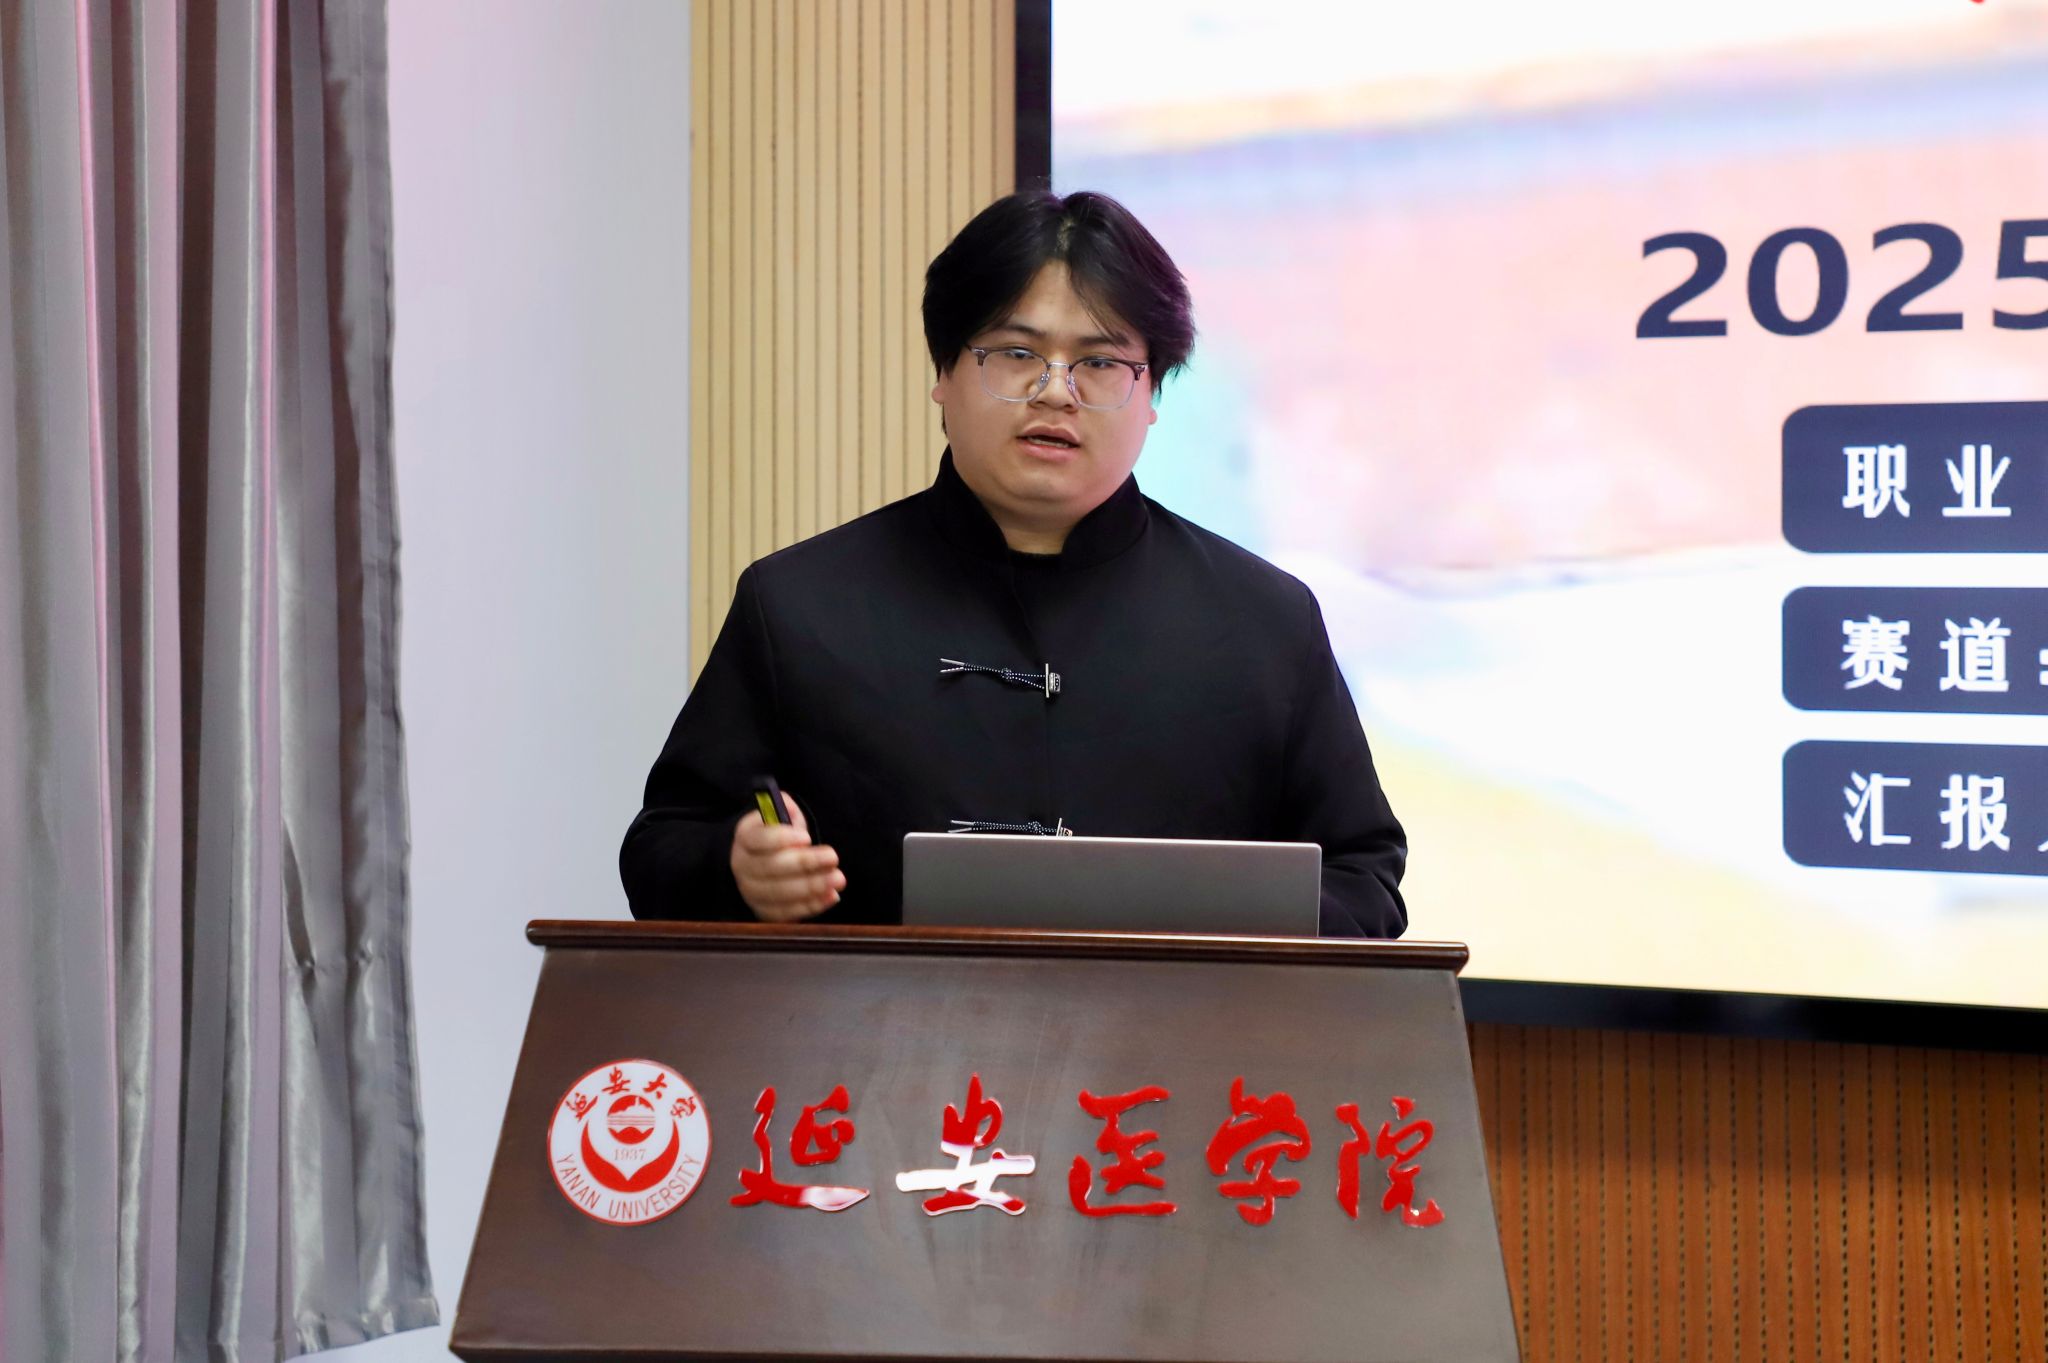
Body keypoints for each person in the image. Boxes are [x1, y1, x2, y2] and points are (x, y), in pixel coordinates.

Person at [621, 190, 1407, 937]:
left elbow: (1365, 877)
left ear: (1154, 394)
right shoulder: (799, 606)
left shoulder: (1265, 622)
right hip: (879, 1036)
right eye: (1016, 352)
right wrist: (739, 870)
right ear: (944, 372)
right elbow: (663, 846)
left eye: (1100, 362)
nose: (1055, 392)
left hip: (1180, 1037)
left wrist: (1243, 926)